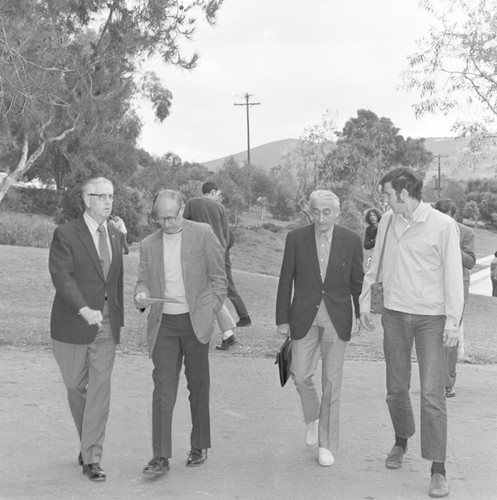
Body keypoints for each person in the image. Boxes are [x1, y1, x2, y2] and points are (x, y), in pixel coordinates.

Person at [359, 167, 463, 498]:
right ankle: (401, 440)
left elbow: (453, 274)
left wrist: (452, 321)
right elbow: (374, 265)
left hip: (431, 318)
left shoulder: (443, 225)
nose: (385, 200)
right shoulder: (389, 220)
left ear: (405, 193)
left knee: (432, 393)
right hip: (394, 314)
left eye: (389, 194)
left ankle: (438, 468)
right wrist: (364, 303)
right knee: (395, 388)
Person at [134, 189, 227, 475]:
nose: (166, 224)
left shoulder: (203, 232)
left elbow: (219, 279)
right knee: (162, 390)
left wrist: (210, 310)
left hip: (195, 321)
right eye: (159, 219)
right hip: (164, 326)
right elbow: (142, 281)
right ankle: (160, 456)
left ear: (183, 208)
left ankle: (199, 445)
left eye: (171, 217)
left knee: (198, 386)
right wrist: (141, 295)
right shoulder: (149, 244)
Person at [276, 190, 363, 467]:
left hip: (337, 317)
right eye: (316, 211)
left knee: (332, 383)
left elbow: (357, 281)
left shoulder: (351, 240)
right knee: (301, 375)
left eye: (327, 212)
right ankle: (313, 416)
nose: (321, 217)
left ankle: (326, 444)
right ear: (310, 211)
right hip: (303, 315)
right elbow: (285, 279)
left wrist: (360, 314)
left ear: (337, 212)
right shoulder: (296, 238)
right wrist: (282, 317)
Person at [48, 177, 124, 482]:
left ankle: (92, 455)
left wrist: (120, 312)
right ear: (86, 199)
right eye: (101, 196)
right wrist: (82, 308)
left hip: (107, 323)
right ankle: (86, 439)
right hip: (72, 322)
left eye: (111, 196)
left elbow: (115, 280)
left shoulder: (116, 234)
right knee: (75, 387)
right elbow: (61, 276)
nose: (108, 201)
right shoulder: (65, 234)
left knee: (100, 391)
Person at [183, 180, 251, 349]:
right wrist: (223, 253)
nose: (218, 196)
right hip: (218, 254)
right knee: (208, 292)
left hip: (199, 253)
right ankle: (228, 334)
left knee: (200, 292)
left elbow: (183, 226)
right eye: (218, 193)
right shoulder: (220, 208)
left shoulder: (192, 203)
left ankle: (225, 333)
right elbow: (225, 234)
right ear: (212, 192)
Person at [434, 198, 476, 398]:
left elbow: (470, 262)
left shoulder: (466, 233)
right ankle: (432, 380)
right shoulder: (429, 230)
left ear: (454, 217)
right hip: (432, 291)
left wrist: (452, 244)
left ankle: (448, 384)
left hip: (457, 293)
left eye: (447, 218)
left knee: (450, 337)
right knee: (431, 337)